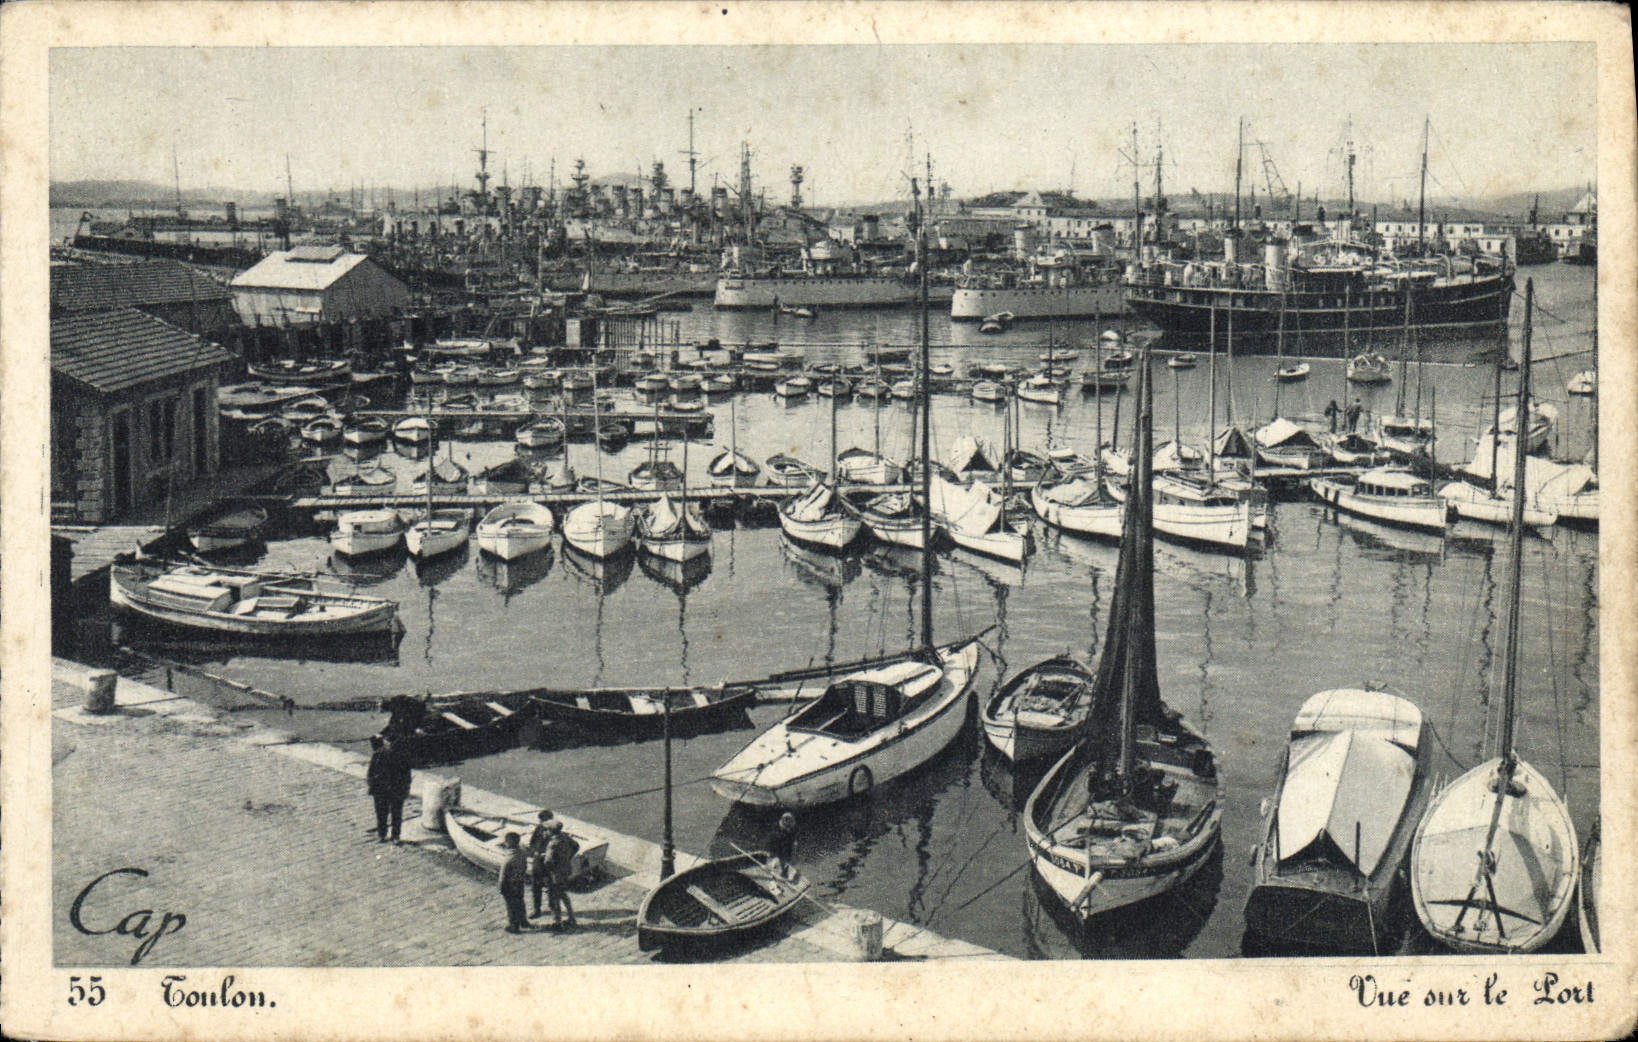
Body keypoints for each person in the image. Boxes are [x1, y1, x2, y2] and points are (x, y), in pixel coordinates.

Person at [365, 734, 412, 844]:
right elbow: (371, 773)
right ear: (384, 742)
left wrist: (405, 788)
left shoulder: (403, 756)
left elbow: (407, 775)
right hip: (381, 789)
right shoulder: (378, 754)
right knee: (381, 813)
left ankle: (396, 836)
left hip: (396, 789)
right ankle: (382, 834)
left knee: (396, 814)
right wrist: (372, 785)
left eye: (392, 742)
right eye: (387, 741)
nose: (390, 744)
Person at [541, 821, 579, 931]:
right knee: (563, 894)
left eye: (546, 830)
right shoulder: (565, 837)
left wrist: (544, 859)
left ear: (551, 831)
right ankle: (571, 917)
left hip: (555, 874)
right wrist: (567, 858)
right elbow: (576, 846)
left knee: (554, 897)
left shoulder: (552, 843)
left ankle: (557, 921)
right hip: (565, 869)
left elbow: (548, 861)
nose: (545, 832)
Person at [527, 809, 557, 919]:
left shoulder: (555, 831)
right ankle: (537, 909)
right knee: (536, 886)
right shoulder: (539, 829)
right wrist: (534, 852)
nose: (541, 823)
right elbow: (532, 843)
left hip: (550, 864)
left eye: (544, 820)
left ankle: (553, 909)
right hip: (538, 863)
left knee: (551, 887)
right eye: (541, 821)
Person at [498, 832, 531, 934]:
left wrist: (501, 887)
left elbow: (502, 876)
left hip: (510, 885)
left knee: (511, 906)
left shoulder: (508, 859)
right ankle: (523, 921)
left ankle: (514, 926)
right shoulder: (522, 853)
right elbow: (525, 866)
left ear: (508, 843)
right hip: (519, 882)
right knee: (520, 902)